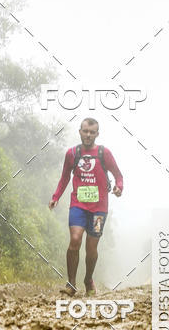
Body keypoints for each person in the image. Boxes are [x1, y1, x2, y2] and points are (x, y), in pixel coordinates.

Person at [49, 117, 123, 294]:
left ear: (97, 134)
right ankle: (71, 284)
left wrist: (119, 187)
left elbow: (118, 175)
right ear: (80, 132)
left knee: (91, 248)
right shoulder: (72, 154)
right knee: (75, 240)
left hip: (99, 210)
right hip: (78, 206)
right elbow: (65, 177)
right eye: (85, 131)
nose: (88, 135)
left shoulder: (104, 153)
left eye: (92, 132)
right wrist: (56, 196)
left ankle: (88, 280)